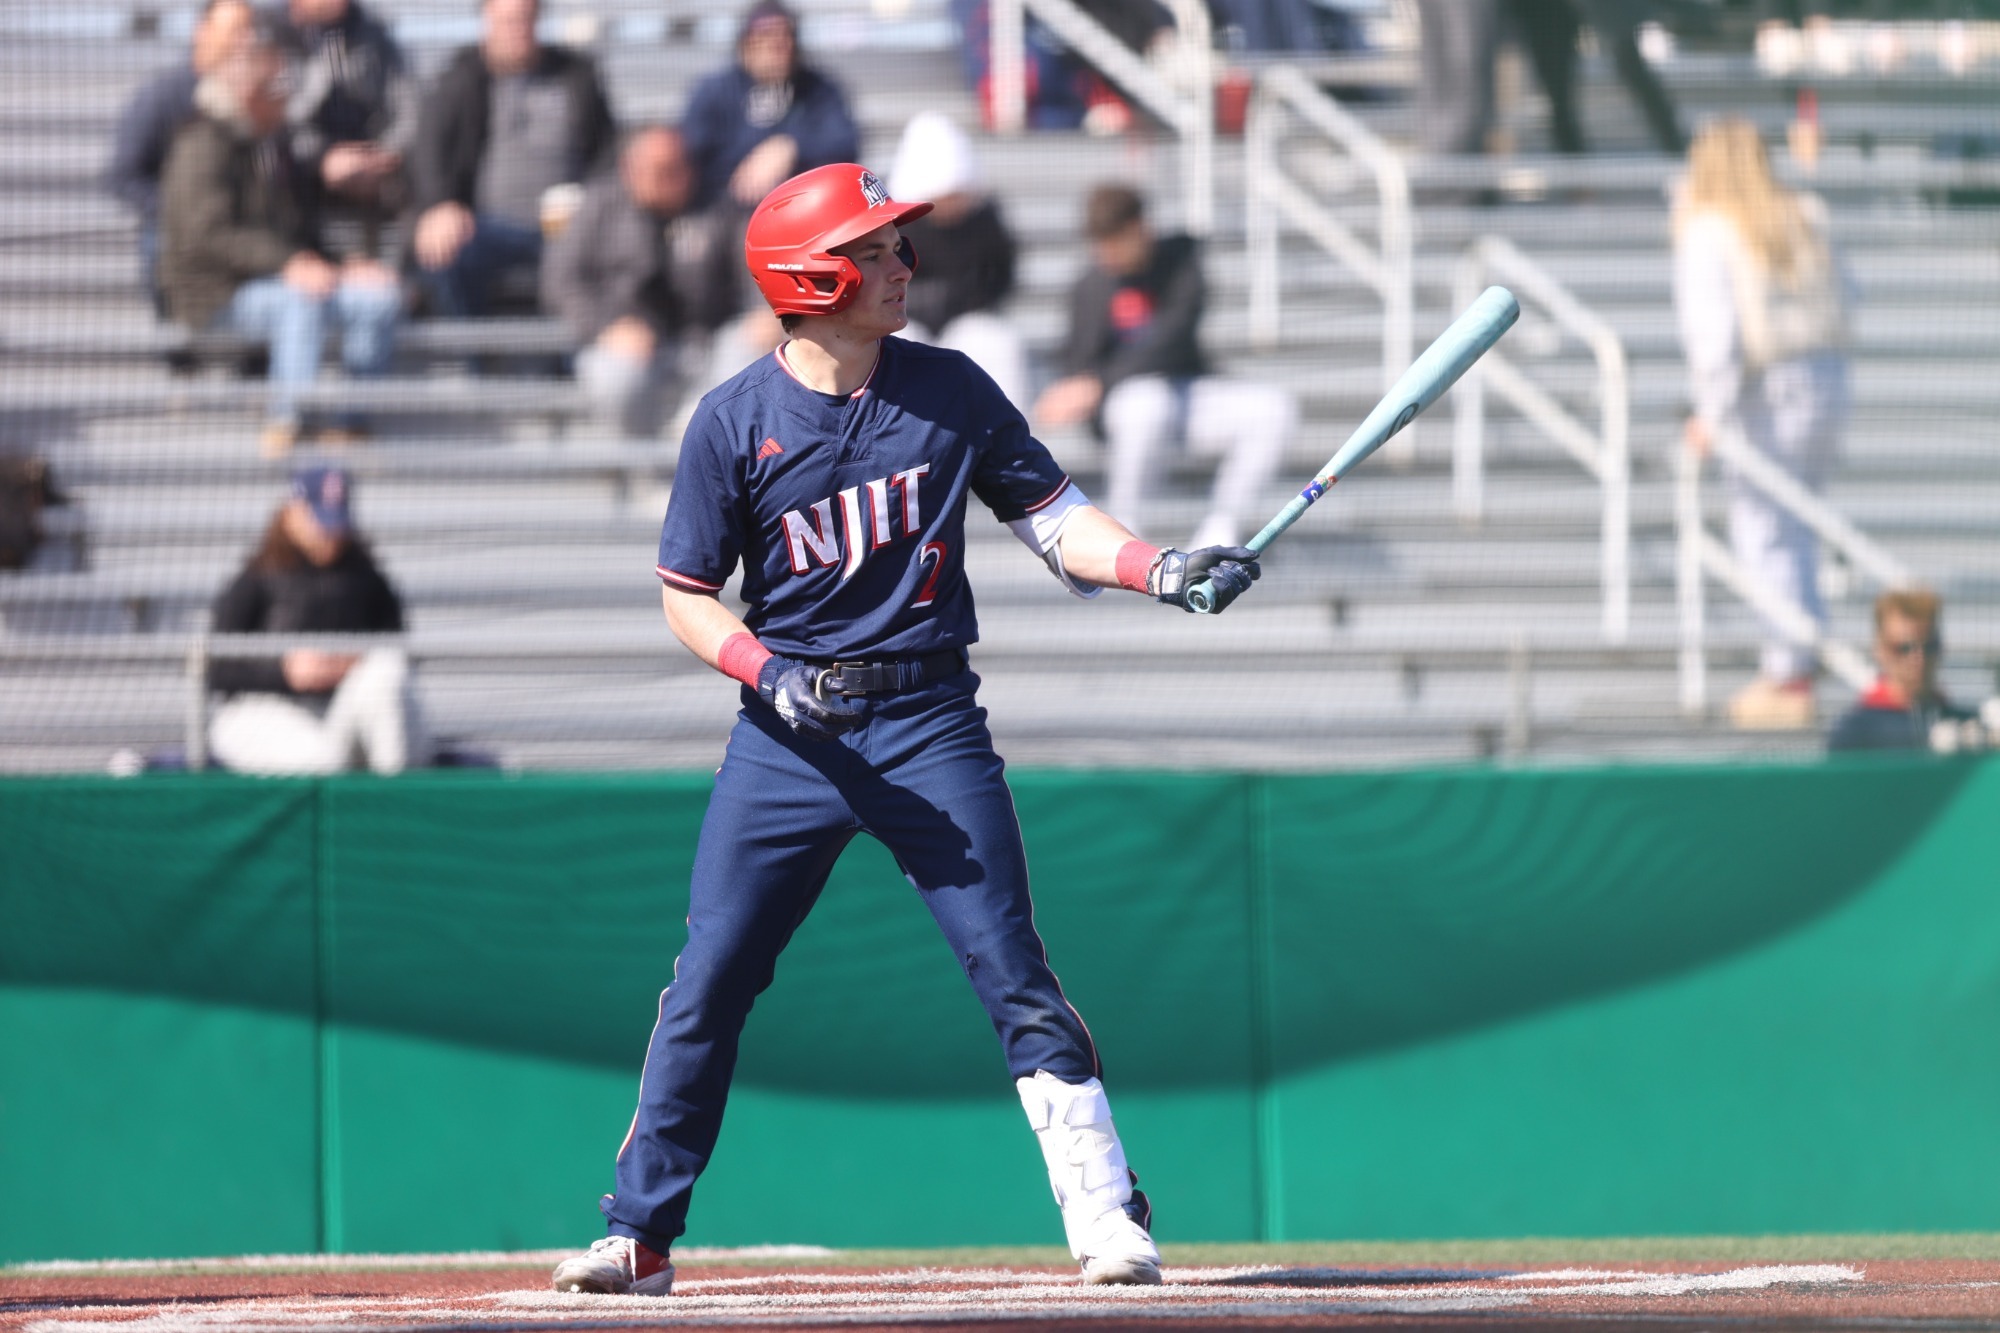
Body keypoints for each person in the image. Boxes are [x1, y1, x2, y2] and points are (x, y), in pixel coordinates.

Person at [546, 163, 1263, 1297]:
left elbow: (1057, 521)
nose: (899, 267)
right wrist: (767, 669)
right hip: (788, 734)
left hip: (928, 720)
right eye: (873, 252)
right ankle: (637, 1231)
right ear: (809, 278)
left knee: (1009, 966)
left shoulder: (951, 388)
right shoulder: (731, 420)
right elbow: (686, 593)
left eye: (893, 247)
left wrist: (1159, 568)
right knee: (708, 979)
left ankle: (1105, 1216)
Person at [1673, 118, 1852, 730]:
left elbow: (1717, 337)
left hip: (1764, 390)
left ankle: (1788, 671)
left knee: (1763, 527)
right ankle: (1803, 651)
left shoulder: (1711, 229)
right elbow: (1851, 294)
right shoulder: (1801, 211)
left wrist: (1710, 414)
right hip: (1828, 375)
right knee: (1796, 519)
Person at [157, 22, 402, 454]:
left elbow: (298, 232)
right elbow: (209, 235)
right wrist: (289, 264)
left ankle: (349, 423)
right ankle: (286, 423)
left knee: (380, 298)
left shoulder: (274, 145)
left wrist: (348, 265)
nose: (288, 99)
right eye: (279, 88)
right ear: (251, 92)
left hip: (276, 278)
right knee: (300, 300)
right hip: (213, 296)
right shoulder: (203, 142)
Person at [1035, 183, 1294, 549]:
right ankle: (1124, 533)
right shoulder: (1090, 286)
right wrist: (1082, 388)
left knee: (1273, 410)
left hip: (1189, 398)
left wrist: (1098, 382)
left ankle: (1221, 529)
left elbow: (1173, 339)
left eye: (1115, 241)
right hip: (1126, 414)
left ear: (1141, 229)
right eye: (1100, 244)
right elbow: (1077, 363)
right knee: (1145, 401)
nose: (1107, 253)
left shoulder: (1181, 267)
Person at [207, 465, 427, 775]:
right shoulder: (256, 577)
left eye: (336, 521)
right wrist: (286, 672)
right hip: (261, 711)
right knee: (322, 761)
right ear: (291, 513)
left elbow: (401, 657)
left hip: (334, 713)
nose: (331, 535)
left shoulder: (367, 578)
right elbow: (216, 669)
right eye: (320, 520)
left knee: (387, 672)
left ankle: (395, 806)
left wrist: (350, 664)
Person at [410, 0, 616, 317]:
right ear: (487, 21)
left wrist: (590, 206)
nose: (517, 29)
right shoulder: (462, 80)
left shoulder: (577, 76)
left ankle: (578, 362)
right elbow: (430, 149)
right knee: (448, 250)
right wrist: (439, 205)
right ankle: (473, 359)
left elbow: (608, 152)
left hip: (569, 233)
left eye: (525, 19)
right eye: (508, 21)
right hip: (487, 229)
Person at [542, 127, 741, 437]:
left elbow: (751, 268)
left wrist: (764, 312)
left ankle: (708, 449)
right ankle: (644, 466)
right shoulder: (600, 204)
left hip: (707, 342)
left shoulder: (718, 205)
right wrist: (605, 327)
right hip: (628, 342)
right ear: (630, 170)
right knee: (612, 376)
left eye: (681, 167)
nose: (677, 178)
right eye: (662, 171)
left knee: (751, 348)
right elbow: (560, 278)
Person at [106, 0, 256, 309]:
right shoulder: (163, 96)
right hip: (179, 232)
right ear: (201, 32)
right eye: (234, 31)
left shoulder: (256, 98)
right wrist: (179, 209)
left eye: (248, 32)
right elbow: (123, 175)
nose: (243, 42)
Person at [888, 112, 1030, 412]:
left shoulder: (985, 221)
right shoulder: (895, 227)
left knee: (999, 345)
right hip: (905, 322)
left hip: (967, 322)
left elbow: (1001, 276)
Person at [680, 0, 861, 214]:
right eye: (767, 36)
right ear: (745, 44)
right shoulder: (715, 90)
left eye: (787, 35)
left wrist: (791, 147)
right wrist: (750, 164)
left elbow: (845, 143)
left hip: (801, 207)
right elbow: (690, 152)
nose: (780, 44)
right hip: (723, 207)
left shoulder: (819, 89)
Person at [277, 0, 417, 254]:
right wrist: (323, 159)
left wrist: (381, 156)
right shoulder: (275, 35)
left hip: (377, 184)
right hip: (301, 195)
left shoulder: (374, 36)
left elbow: (409, 112)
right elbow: (279, 123)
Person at [1507, 0, 1685, 156]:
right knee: (1557, 92)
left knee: (1629, 64)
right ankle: (1576, 176)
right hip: (1546, 9)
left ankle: (1677, 149)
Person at [1828, 590, 1987, 753]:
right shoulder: (1855, 733)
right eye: (1904, 648)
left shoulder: (1967, 726)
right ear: (1880, 650)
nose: (1919, 659)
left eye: (1929, 647)